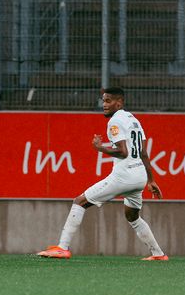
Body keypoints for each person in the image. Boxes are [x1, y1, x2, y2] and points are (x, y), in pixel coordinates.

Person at [37, 87, 168, 261]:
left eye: (108, 101)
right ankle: (158, 254)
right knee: (132, 216)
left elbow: (123, 152)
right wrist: (150, 180)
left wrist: (100, 148)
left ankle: (62, 248)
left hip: (124, 176)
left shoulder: (115, 121)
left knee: (80, 201)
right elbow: (143, 153)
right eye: (103, 101)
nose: (104, 105)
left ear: (119, 102)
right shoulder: (134, 120)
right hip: (139, 176)